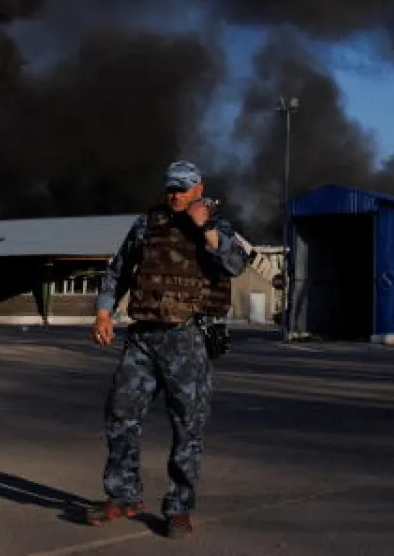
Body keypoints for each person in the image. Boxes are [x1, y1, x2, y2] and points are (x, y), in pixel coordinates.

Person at [86, 160, 249, 540]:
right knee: (120, 414)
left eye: (182, 189)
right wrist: (103, 313)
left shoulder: (217, 224)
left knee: (187, 425)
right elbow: (119, 269)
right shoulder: (147, 224)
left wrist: (204, 225)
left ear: (197, 188)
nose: (174, 195)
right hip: (142, 336)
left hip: (186, 338)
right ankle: (123, 495)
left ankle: (179, 508)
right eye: (170, 189)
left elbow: (236, 264)